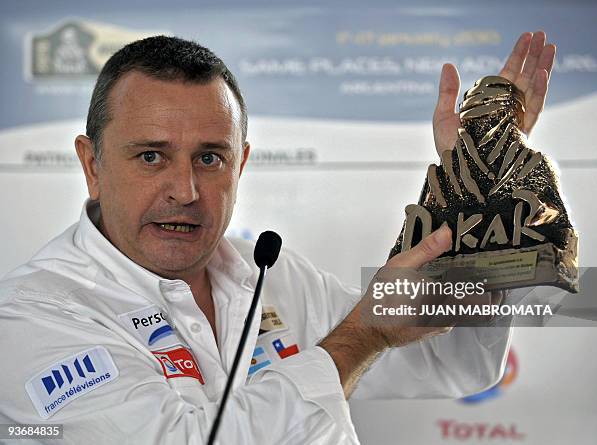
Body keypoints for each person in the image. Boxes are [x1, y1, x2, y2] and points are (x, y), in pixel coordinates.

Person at [0, 31, 555, 444]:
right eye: (151, 156)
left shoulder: (266, 270)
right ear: (91, 165)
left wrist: (476, 186)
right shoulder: (32, 316)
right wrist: (359, 337)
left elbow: (453, 363)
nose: (186, 190)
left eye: (210, 158)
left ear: (240, 165)